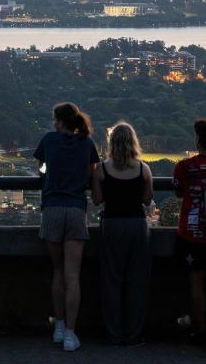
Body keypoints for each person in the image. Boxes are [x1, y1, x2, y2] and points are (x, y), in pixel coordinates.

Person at [34, 102, 99, 352]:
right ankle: (71, 334)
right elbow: (90, 174)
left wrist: (47, 178)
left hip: (51, 207)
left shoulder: (49, 140)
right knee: (73, 275)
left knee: (58, 271)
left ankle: (59, 326)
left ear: (59, 121)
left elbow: (39, 167)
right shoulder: (87, 143)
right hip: (75, 209)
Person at [92, 122, 153, 346]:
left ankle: (113, 334)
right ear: (133, 142)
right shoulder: (143, 169)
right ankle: (134, 335)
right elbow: (147, 200)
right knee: (137, 282)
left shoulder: (102, 169)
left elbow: (97, 200)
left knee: (111, 280)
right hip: (137, 224)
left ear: (111, 142)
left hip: (112, 224)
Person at [173, 119, 206, 344]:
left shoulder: (185, 167)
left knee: (196, 284)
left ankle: (202, 330)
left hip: (192, 234)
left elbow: (178, 192)